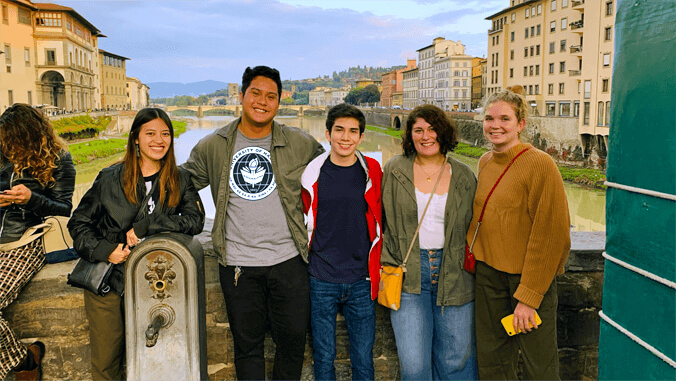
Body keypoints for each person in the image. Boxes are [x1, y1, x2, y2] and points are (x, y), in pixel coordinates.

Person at [182, 66, 324, 380]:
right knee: (248, 350)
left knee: (292, 347)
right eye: (255, 93)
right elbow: (179, 183)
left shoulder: (299, 142)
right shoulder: (214, 144)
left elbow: (331, 175)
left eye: (271, 96)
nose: (262, 101)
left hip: (289, 262)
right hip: (237, 266)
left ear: (280, 101)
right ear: (242, 96)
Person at [68, 108, 204, 380]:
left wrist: (149, 225)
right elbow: (78, 224)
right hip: (110, 282)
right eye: (150, 133)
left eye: (165, 134)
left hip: (154, 287)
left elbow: (194, 220)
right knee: (107, 364)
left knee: (156, 358)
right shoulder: (109, 178)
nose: (159, 140)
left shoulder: (181, 178)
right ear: (135, 139)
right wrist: (107, 251)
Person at [470, 86, 570, 380]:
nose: (495, 125)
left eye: (504, 119)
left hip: (526, 279)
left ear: (520, 124)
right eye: (489, 118)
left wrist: (529, 296)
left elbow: (552, 234)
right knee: (492, 360)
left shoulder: (540, 163)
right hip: (488, 276)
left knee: (539, 364)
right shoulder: (486, 162)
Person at [381, 104, 478, 380]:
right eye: (418, 130)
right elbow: (380, 218)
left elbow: (478, 224)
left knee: (456, 361)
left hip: (455, 272)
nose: (426, 136)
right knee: (413, 366)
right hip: (408, 273)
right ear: (410, 135)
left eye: (432, 129)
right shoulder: (395, 169)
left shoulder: (463, 174)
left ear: (443, 132)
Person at [300, 103, 382, 381]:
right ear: (327, 133)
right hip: (321, 278)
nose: (345, 137)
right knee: (323, 358)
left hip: (362, 280)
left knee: (363, 359)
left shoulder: (372, 171)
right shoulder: (311, 174)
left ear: (361, 137)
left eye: (353, 131)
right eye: (339, 130)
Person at [0, 103, 76, 380]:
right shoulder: (0, 155)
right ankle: (24, 360)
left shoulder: (59, 160)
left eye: (15, 138)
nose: (9, 145)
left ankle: (26, 365)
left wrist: (31, 200)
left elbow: (64, 210)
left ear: (32, 134)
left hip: (29, 240)